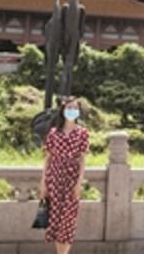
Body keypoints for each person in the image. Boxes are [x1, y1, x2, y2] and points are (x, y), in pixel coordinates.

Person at [39, 96, 89, 254]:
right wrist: (43, 183)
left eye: (75, 108)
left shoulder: (82, 133)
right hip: (54, 178)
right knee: (55, 220)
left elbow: (83, 160)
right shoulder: (53, 133)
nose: (72, 111)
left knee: (68, 221)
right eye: (69, 108)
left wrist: (79, 183)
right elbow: (48, 158)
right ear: (63, 110)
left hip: (72, 179)